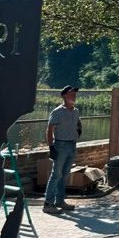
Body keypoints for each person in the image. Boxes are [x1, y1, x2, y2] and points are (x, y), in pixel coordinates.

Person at [43, 85, 82, 214]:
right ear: (64, 96)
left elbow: (77, 123)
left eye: (75, 95)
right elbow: (49, 130)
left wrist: (78, 130)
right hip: (60, 145)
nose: (73, 96)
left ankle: (60, 201)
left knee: (64, 175)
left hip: (72, 145)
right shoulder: (57, 112)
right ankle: (48, 203)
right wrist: (51, 147)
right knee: (56, 175)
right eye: (71, 94)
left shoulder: (76, 111)